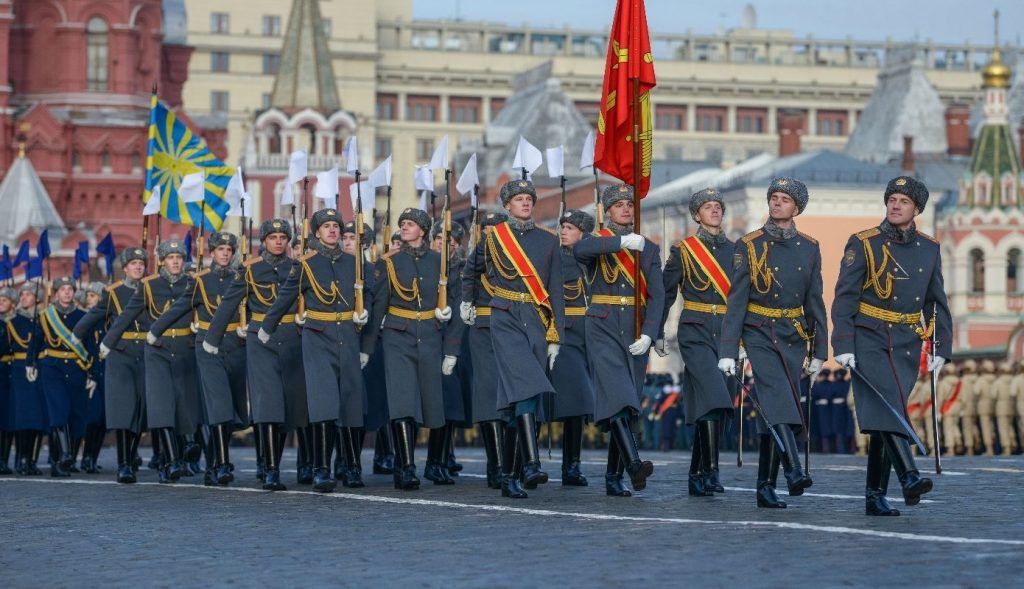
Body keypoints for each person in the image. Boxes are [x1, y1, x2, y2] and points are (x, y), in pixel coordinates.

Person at [832, 175, 952, 516]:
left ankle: (874, 496)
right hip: (868, 336)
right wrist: (842, 341)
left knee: (887, 414)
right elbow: (845, 297)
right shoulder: (863, 242)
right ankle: (910, 476)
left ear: (917, 209)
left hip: (905, 343)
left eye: (904, 202)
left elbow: (935, 301)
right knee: (887, 406)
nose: (896, 206)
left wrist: (940, 345)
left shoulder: (929, 249)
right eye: (892, 199)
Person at [719, 177, 827, 509]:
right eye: (774, 197)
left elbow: (815, 302)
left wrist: (820, 350)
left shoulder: (810, 247)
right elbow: (736, 300)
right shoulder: (748, 245)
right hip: (759, 331)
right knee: (778, 395)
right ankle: (793, 470)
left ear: (797, 208)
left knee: (776, 405)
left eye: (784, 199)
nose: (777, 203)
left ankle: (765, 485)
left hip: (793, 336)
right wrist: (728, 349)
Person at [462, 180, 564, 499]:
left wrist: (556, 334)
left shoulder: (548, 242)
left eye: (528, 199)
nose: (524, 203)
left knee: (518, 399)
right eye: (518, 199)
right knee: (527, 385)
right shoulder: (494, 240)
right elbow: (470, 270)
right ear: (506, 205)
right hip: (503, 317)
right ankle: (531, 464)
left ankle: (509, 475)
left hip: (535, 320)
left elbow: (556, 290)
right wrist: (467, 301)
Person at [260, 208, 372, 494]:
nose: (333, 231)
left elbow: (370, 293)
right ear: (317, 233)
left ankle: (350, 465)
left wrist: (365, 315)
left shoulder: (354, 263)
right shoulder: (305, 264)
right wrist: (268, 325)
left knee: (350, 400)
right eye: (327, 227)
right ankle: (322, 469)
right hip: (317, 336)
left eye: (336, 226)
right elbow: (287, 295)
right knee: (324, 400)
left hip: (348, 334)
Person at [207, 219, 310, 491]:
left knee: (287, 404)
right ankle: (271, 469)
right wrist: (212, 338)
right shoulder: (249, 269)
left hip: (291, 339)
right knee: (267, 404)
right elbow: (230, 302)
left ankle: (271, 462)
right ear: (263, 240)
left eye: (282, 236)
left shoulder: (298, 268)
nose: (278, 241)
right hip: (259, 341)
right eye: (273, 236)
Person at [574, 184, 663, 497]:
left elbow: (657, 296)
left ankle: (615, 476)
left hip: (635, 328)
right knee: (619, 394)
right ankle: (634, 464)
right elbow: (579, 250)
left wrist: (651, 333)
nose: (626, 209)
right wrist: (622, 243)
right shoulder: (599, 243)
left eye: (629, 204)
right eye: (618, 205)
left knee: (624, 405)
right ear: (607, 211)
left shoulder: (648, 249)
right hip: (603, 325)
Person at [368, 207, 456, 490]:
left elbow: (451, 301)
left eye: (410, 224)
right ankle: (405, 467)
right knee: (403, 400)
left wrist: (451, 346)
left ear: (423, 230)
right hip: (397, 335)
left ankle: (433, 462)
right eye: (402, 224)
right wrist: (366, 348)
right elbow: (379, 304)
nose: (404, 228)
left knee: (432, 403)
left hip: (431, 335)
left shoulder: (439, 261)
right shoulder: (388, 262)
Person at [150, 232, 246, 486]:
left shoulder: (242, 277)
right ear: (211, 252)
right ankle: (222, 464)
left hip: (236, 346)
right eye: (220, 249)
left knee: (233, 409)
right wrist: (154, 330)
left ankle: (213, 464)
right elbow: (180, 306)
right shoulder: (200, 281)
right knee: (219, 406)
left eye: (229, 249)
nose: (225, 253)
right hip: (207, 347)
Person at [102, 239, 200, 484]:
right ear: (163, 261)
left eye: (179, 257)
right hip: (155, 351)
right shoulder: (149, 286)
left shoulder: (194, 284)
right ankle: (168, 461)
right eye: (171, 257)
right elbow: (127, 315)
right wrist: (107, 342)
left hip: (185, 351)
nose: (176, 261)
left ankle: (176, 458)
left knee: (184, 409)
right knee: (159, 409)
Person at [660, 188, 735, 497]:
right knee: (715, 396)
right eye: (708, 207)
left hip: (728, 333)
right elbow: (666, 293)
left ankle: (698, 472)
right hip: (695, 331)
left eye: (718, 206)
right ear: (696, 215)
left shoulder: (737, 251)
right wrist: (656, 331)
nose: (714, 210)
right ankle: (712, 470)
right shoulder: (684, 251)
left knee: (715, 402)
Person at [75, 248, 149, 483]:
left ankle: (131, 455)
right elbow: (95, 314)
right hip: (120, 353)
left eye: (141, 263)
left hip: (147, 353)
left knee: (141, 411)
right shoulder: (114, 292)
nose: (138, 267)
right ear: (124, 268)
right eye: (133, 263)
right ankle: (123, 464)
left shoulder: (152, 289)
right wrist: (76, 335)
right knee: (123, 410)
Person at [460, 211, 510, 489]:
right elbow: (468, 276)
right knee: (489, 394)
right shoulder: (477, 257)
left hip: (513, 328)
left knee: (512, 395)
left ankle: (516, 460)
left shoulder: (515, 256)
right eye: (486, 228)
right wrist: (467, 302)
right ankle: (496, 464)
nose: (490, 233)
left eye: (495, 228)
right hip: (483, 328)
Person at [27, 277, 93, 477]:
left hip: (76, 368)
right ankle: (64, 455)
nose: (66, 292)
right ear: (55, 293)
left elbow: (90, 346)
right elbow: (36, 342)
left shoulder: (83, 315)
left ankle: (62, 462)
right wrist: (30, 363)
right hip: (52, 369)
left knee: (74, 414)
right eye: (62, 289)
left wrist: (93, 373)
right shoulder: (46, 316)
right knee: (59, 411)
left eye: (70, 289)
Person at [551, 209, 597, 487]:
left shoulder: (594, 261)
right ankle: (526, 460)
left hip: (591, 337)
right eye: (563, 226)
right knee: (574, 399)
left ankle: (572, 465)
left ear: (584, 233)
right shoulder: (555, 260)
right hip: (565, 336)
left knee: (579, 409)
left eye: (570, 227)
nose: (564, 231)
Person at [430, 219, 470, 481]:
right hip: (426, 339)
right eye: (440, 241)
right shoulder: (423, 267)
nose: (444, 247)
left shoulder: (463, 272)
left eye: (450, 243)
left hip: (454, 342)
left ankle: (441, 459)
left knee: (450, 406)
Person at [9, 282, 47, 475]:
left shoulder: (44, 320)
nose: (23, 297)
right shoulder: (13, 321)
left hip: (39, 369)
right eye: (22, 294)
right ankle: (22, 458)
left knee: (38, 417)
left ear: (37, 298)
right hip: (19, 370)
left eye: (28, 294)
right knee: (23, 417)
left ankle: (32, 459)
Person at [78, 281, 109, 474]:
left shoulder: (107, 319)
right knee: (92, 417)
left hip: (105, 371)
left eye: (93, 295)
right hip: (88, 372)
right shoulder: (83, 318)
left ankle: (94, 457)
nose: (89, 298)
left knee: (103, 419)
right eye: (88, 295)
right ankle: (86, 457)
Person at [0, 287, 17, 474]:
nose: (1, 302)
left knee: (7, 420)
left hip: (11, 373)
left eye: (5, 300)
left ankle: (4, 460)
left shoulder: (15, 322)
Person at [993, 361, 1017, 456]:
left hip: (1001, 406)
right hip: (1012, 406)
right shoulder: (1014, 379)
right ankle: (1013, 442)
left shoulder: (998, 381)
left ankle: (1007, 448)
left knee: (1003, 428)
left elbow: (993, 395)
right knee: (1010, 427)